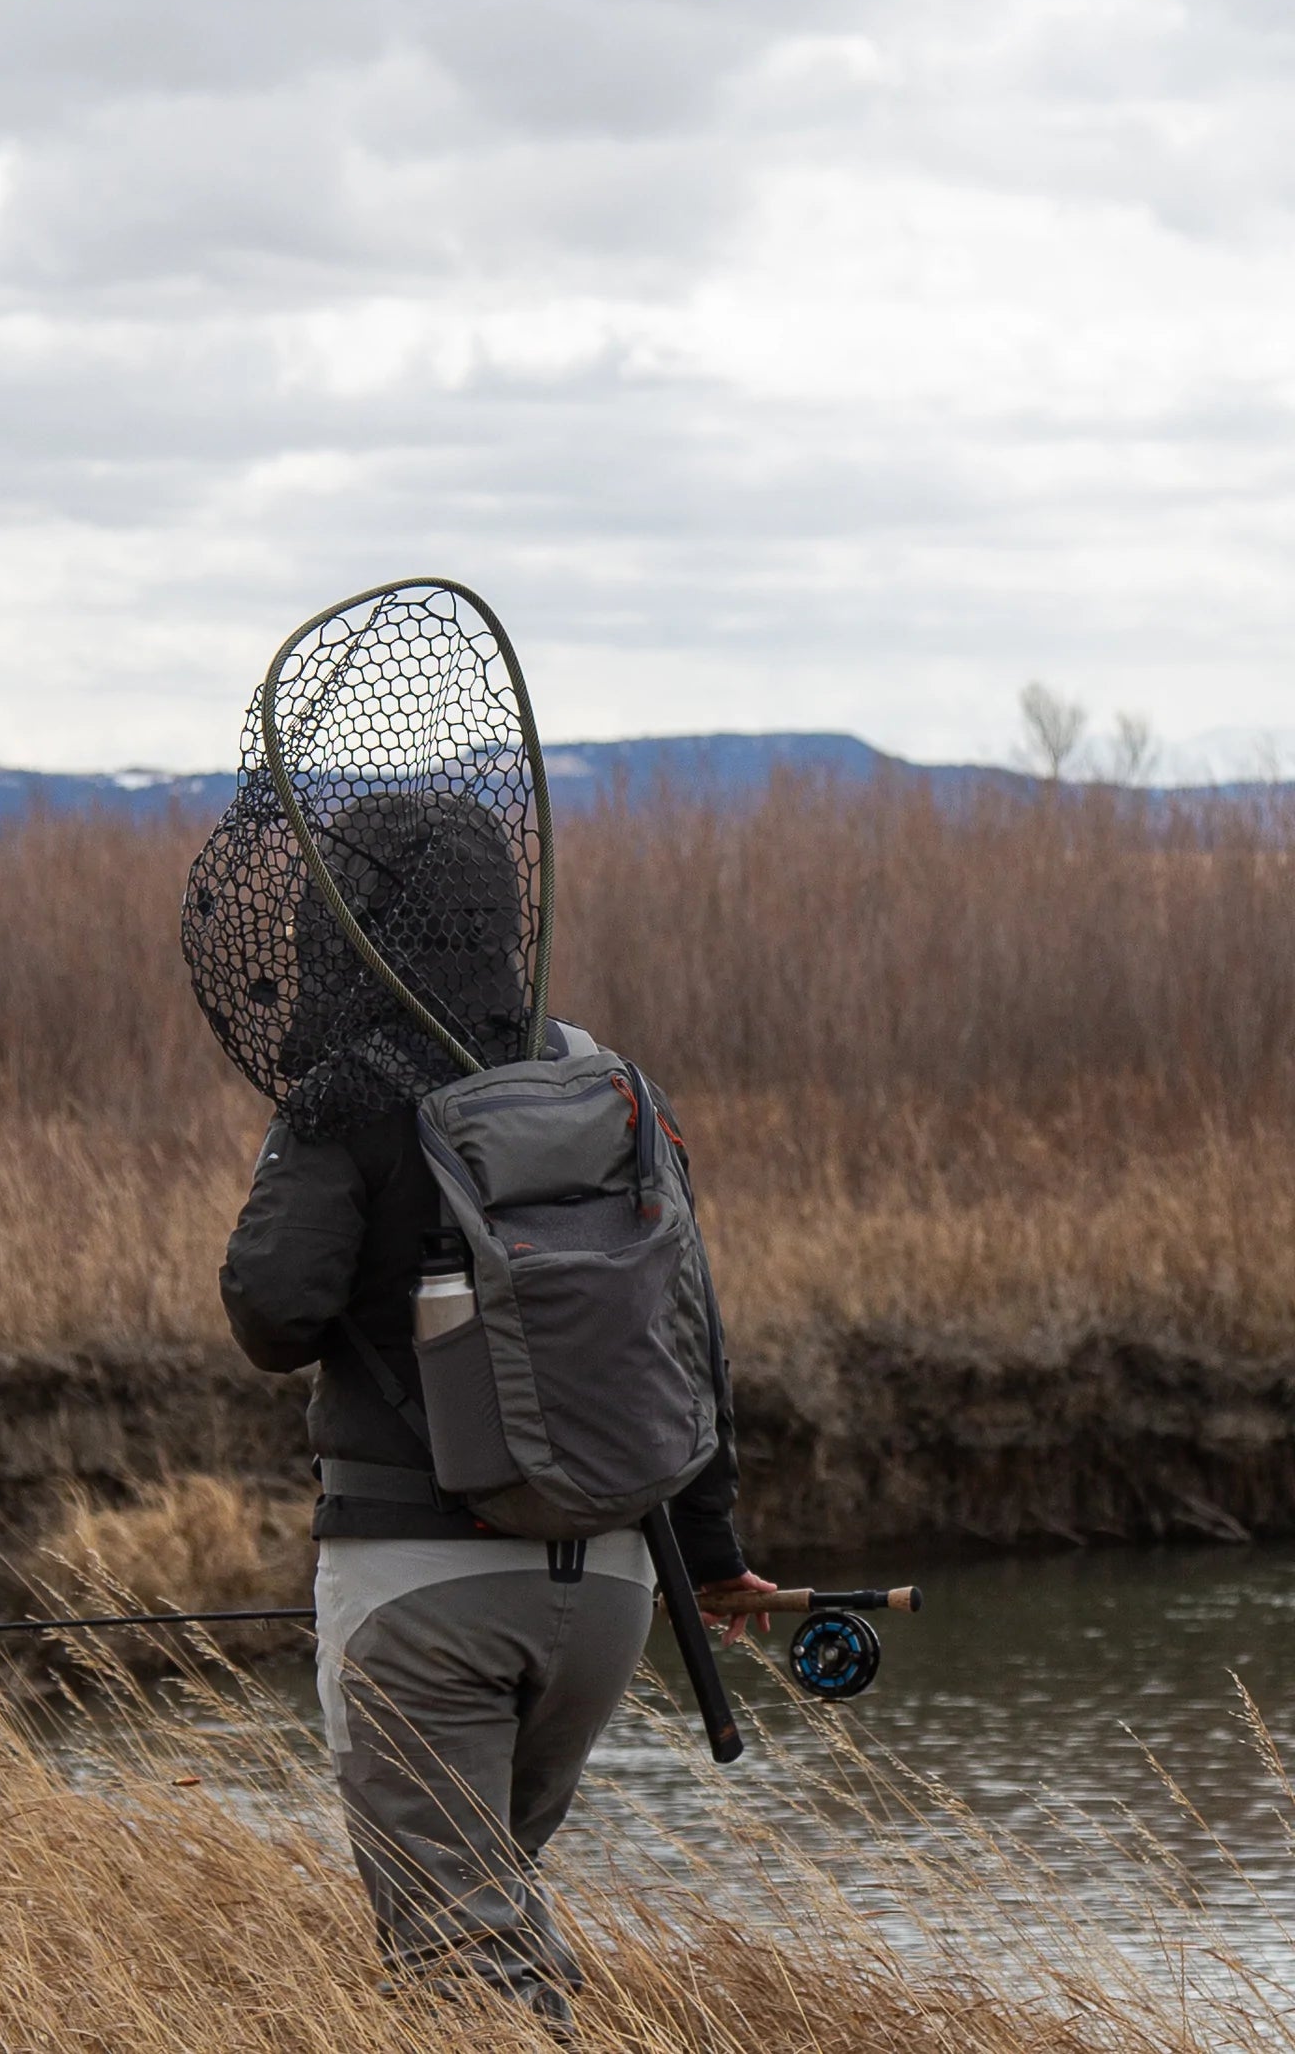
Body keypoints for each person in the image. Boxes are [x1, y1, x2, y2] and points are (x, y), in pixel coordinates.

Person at [216, 798, 772, 2038]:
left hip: (420, 1596)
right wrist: (719, 1552)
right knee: (488, 1915)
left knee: (465, 1970)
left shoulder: (347, 1097)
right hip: (619, 1597)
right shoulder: (612, 1086)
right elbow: (690, 1336)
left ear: (346, 930)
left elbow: (270, 1315)